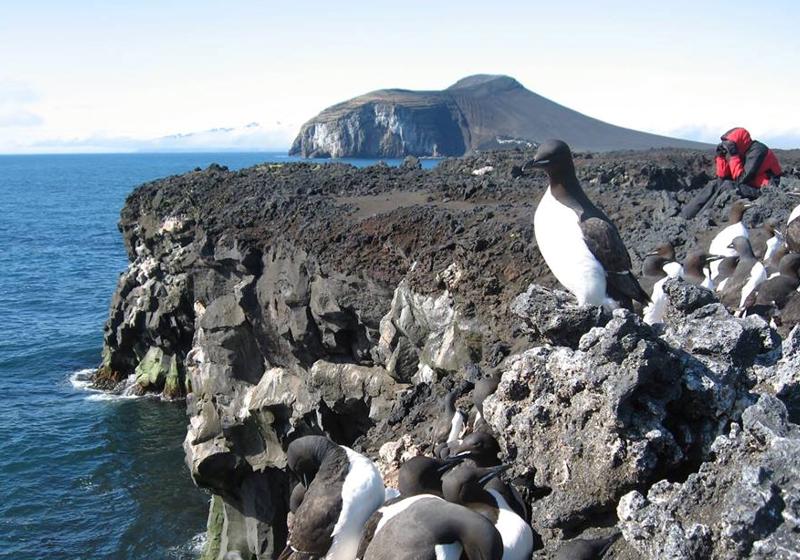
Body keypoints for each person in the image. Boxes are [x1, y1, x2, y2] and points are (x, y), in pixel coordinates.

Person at [681, 127, 782, 219]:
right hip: (750, 184)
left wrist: (733, 156)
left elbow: (741, 179)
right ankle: (685, 215)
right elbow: (722, 175)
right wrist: (721, 157)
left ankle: (699, 218)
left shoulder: (758, 151)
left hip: (764, 189)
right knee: (715, 183)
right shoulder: (741, 151)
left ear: (739, 142)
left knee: (727, 185)